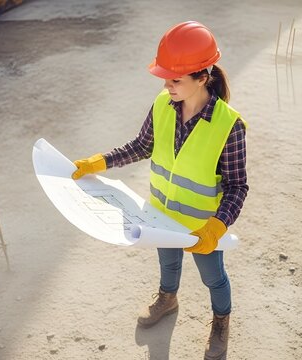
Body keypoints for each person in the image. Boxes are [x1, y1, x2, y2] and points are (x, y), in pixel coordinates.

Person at [72, 21, 248, 360]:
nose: (167, 85)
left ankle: (221, 320)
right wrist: (99, 162)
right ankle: (168, 299)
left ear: (202, 78)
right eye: (165, 78)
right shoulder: (163, 105)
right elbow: (142, 145)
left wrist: (217, 226)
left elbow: (238, 186)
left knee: (213, 278)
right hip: (161, 216)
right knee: (168, 266)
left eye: (175, 79)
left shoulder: (229, 125)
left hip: (201, 227)